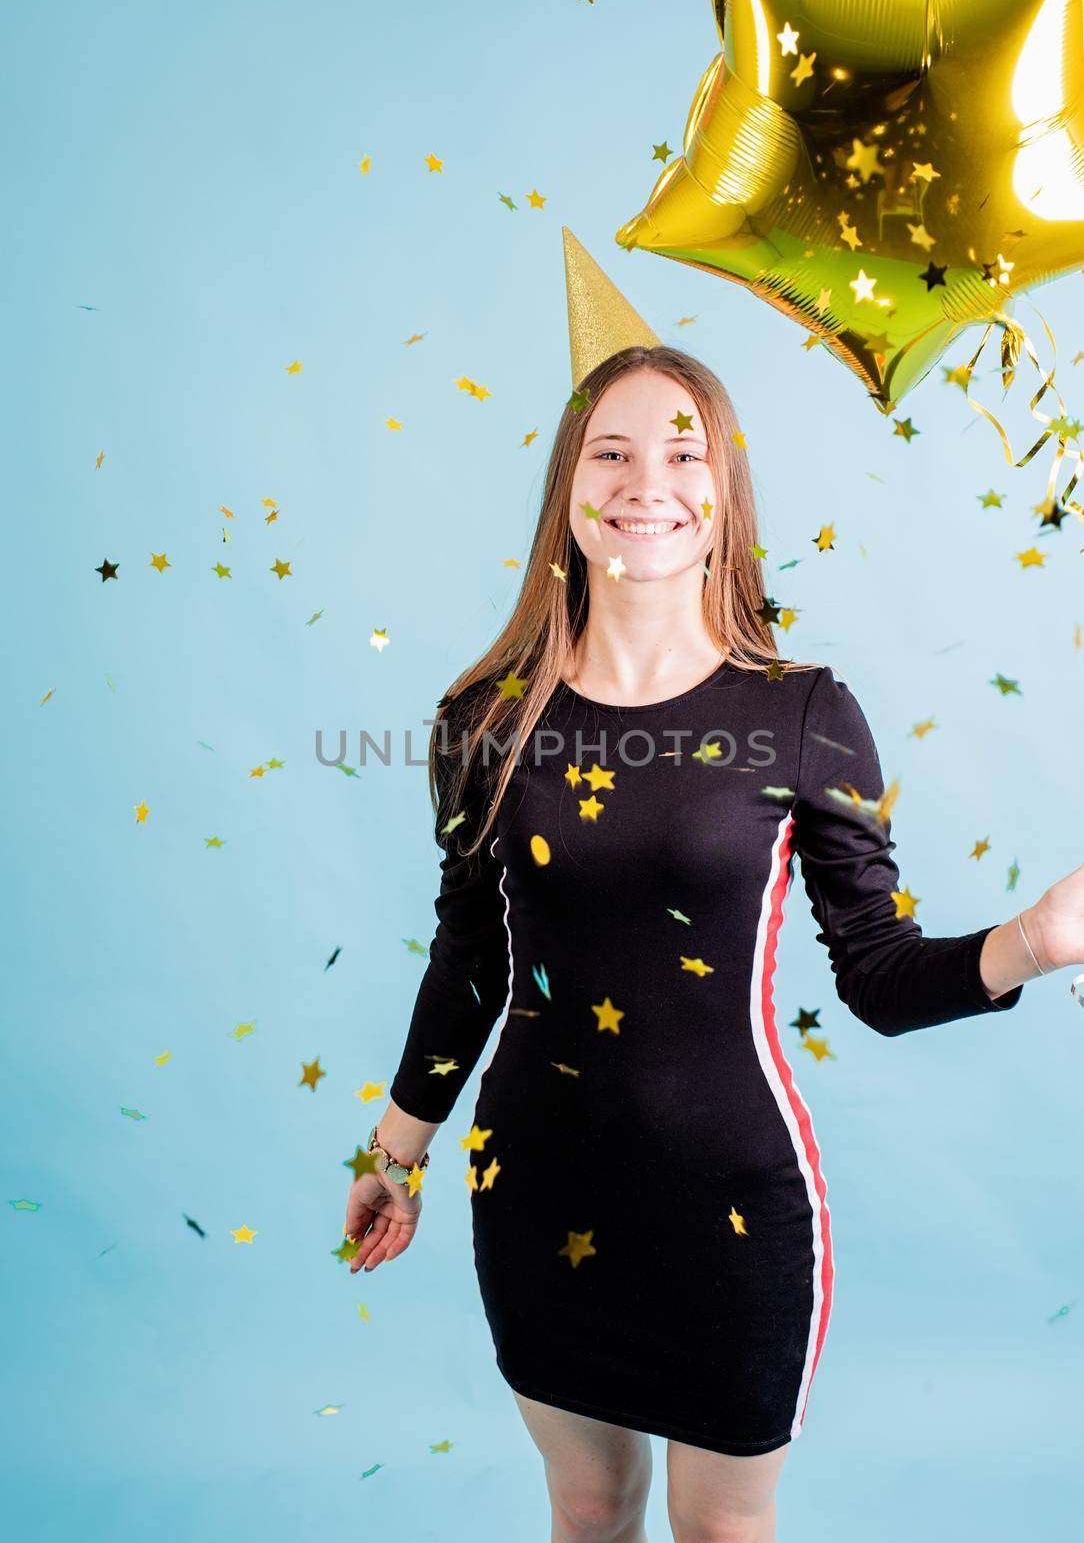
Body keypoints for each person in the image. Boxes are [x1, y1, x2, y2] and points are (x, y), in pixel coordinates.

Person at [343, 229, 1084, 1543]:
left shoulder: (802, 715)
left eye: (684, 451)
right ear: (568, 489)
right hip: (535, 1189)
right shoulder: (482, 718)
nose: (648, 481)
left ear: (725, 492)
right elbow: (468, 956)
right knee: (586, 1507)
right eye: (612, 452)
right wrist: (392, 1154)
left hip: (729, 1202)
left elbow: (878, 976)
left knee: (722, 1530)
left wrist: (1031, 938)